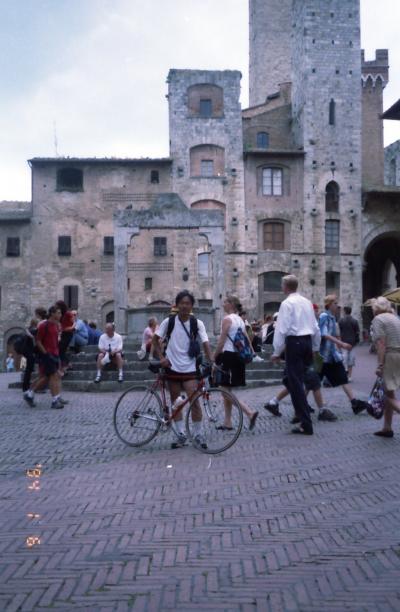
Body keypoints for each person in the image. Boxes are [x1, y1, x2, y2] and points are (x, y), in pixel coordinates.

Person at [151, 290, 213, 449]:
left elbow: (206, 343)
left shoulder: (197, 323)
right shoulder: (168, 322)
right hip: (172, 367)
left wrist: (211, 360)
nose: (185, 306)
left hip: (190, 369)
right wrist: (161, 358)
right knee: (176, 402)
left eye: (188, 303)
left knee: (195, 402)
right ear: (177, 305)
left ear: (192, 305)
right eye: (182, 303)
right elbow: (155, 339)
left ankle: (198, 434)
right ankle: (180, 435)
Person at [271, 275, 321, 435]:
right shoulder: (307, 302)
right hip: (307, 342)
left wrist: (276, 351)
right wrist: (314, 347)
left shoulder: (286, 304)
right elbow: (316, 327)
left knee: (296, 384)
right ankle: (302, 415)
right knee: (292, 380)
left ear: (285, 287)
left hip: (295, 343)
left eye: (282, 285)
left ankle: (305, 423)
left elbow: (281, 329)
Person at [213, 296, 259, 431]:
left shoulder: (227, 320)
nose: (223, 304)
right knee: (227, 389)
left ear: (232, 304)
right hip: (238, 357)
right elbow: (247, 338)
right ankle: (228, 423)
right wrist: (251, 353)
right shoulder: (239, 319)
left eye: (226, 302)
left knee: (223, 390)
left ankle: (249, 412)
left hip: (228, 356)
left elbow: (221, 342)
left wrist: (214, 357)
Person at [319, 295, 367, 415]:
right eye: (335, 303)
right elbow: (324, 334)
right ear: (329, 304)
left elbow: (333, 335)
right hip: (322, 357)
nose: (338, 306)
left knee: (342, 378)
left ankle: (354, 403)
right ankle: (297, 407)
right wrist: (341, 344)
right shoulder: (324, 316)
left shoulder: (332, 318)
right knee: (312, 383)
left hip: (331, 356)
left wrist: (338, 347)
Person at [23, 305, 66, 409]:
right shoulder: (43, 325)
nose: (60, 315)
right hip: (47, 354)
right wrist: (46, 354)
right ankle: (55, 400)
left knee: (46, 377)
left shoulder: (56, 325)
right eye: (58, 313)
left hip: (55, 354)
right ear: (52, 313)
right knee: (53, 376)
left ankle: (29, 394)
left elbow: (55, 342)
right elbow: (38, 341)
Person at [370, 296, 400, 438]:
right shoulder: (395, 318)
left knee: (387, 395)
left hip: (390, 356)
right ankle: (387, 428)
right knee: (389, 392)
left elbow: (381, 344)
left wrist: (380, 365)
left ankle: (387, 427)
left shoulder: (378, 320)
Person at [338, 306, 360, 382]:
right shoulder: (355, 321)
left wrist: (340, 342)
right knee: (351, 360)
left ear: (344, 311)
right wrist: (356, 342)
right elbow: (357, 333)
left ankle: (344, 374)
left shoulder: (341, 321)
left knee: (344, 360)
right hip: (352, 344)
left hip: (344, 343)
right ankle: (349, 376)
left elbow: (339, 332)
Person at [55, 300, 75, 375]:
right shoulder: (61, 314)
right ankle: (68, 365)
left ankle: (66, 366)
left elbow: (73, 323)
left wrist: (70, 328)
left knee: (61, 350)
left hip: (68, 334)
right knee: (61, 350)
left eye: (57, 306)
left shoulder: (68, 313)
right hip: (63, 333)